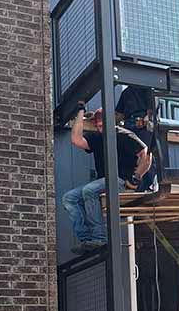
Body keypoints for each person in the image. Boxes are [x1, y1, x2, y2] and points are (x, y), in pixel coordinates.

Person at [62, 105, 152, 254]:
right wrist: (80, 111)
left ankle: (100, 237)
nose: (99, 128)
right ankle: (86, 239)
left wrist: (136, 178)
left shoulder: (123, 135)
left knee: (89, 190)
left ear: (111, 122)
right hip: (104, 182)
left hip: (121, 180)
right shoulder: (97, 137)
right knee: (69, 198)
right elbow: (76, 139)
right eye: (97, 126)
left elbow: (146, 155)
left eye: (102, 125)